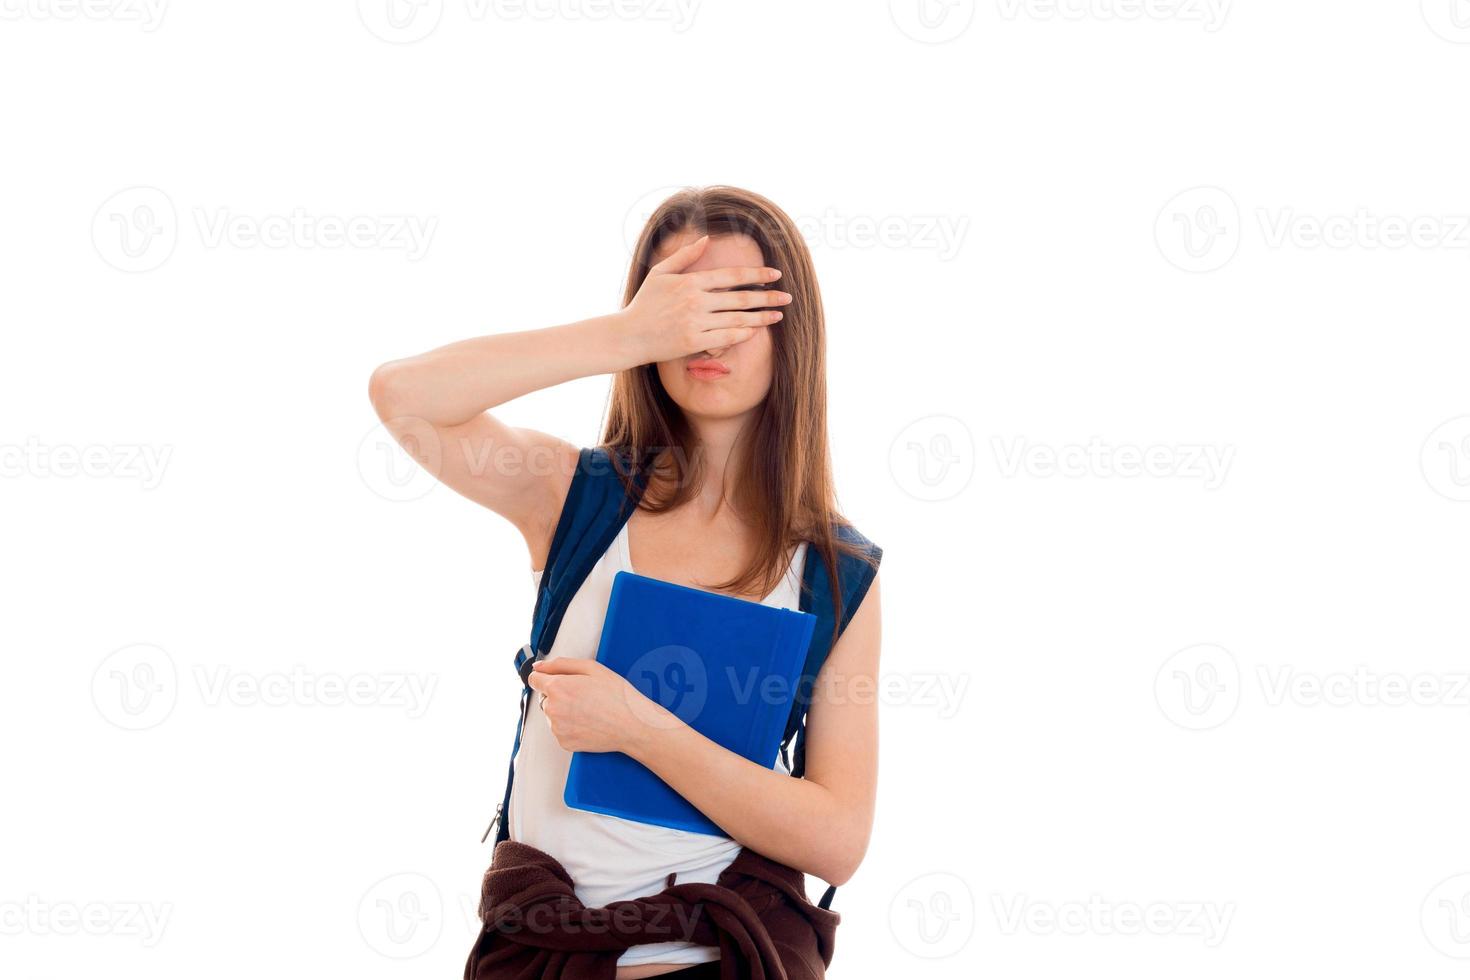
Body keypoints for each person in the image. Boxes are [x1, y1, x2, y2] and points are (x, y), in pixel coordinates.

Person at [368, 186, 882, 979]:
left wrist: (639, 728)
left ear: (793, 329)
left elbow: (837, 838)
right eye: (681, 301)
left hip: (726, 958)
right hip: (539, 956)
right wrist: (629, 334)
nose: (705, 331)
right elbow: (403, 397)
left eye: (737, 301)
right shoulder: (572, 495)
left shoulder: (835, 571)